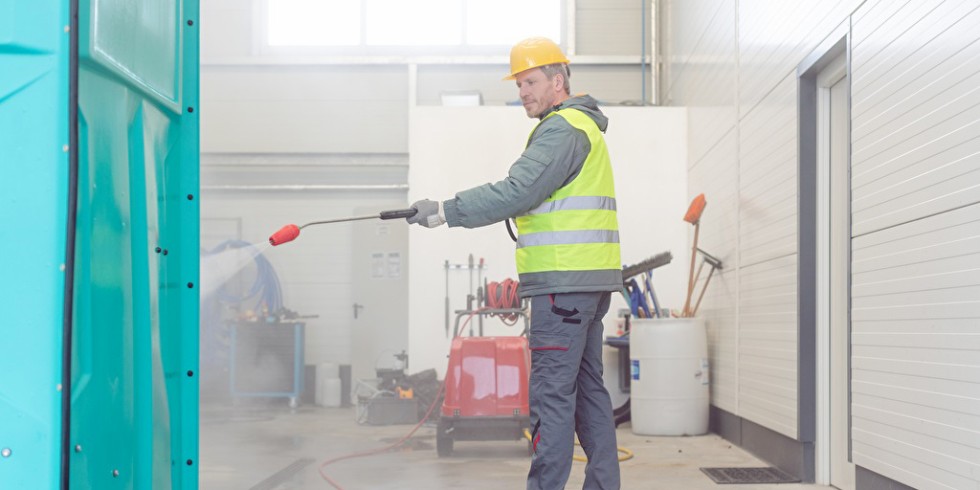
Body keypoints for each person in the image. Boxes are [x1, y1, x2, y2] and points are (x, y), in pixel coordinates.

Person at [406, 37, 622, 490]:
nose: (523, 91)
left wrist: (445, 210)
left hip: (562, 286)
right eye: (519, 83)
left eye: (530, 81)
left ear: (557, 82)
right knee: (588, 395)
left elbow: (516, 192)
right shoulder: (581, 128)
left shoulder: (563, 129)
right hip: (586, 282)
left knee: (553, 398)